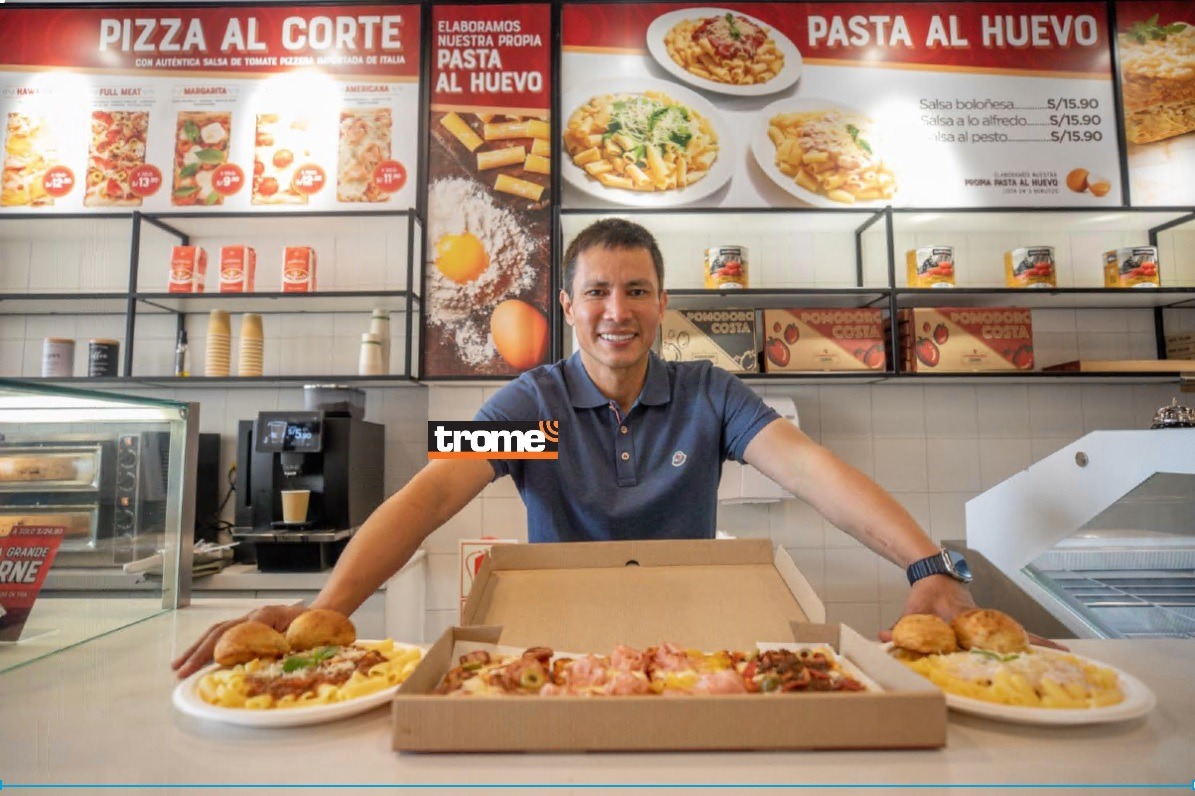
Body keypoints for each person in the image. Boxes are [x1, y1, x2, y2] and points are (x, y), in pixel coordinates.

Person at [174, 218, 1002, 678]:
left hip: (691, 637)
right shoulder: (529, 405)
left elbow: (816, 471)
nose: (618, 309)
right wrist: (331, 609)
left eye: (636, 290)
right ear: (569, 307)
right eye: (598, 292)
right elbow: (426, 496)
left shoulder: (709, 395)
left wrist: (930, 569)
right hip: (555, 640)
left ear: (661, 303)